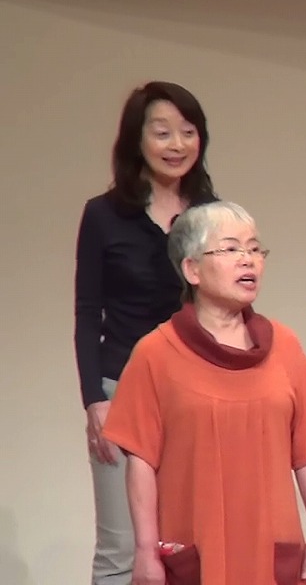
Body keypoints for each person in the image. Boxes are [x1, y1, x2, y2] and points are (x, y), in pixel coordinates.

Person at [101, 201, 306, 585]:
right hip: (195, 552)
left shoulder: (284, 346)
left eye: (255, 249)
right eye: (230, 249)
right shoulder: (155, 354)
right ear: (192, 269)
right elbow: (141, 462)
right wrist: (145, 551)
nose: (248, 260)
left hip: (271, 552)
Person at [74, 82, 217, 584]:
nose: (177, 144)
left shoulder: (210, 216)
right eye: (162, 132)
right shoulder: (103, 214)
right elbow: (87, 312)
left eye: (188, 132)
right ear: (137, 139)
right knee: (121, 550)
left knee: (190, 543)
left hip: (195, 393)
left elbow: (226, 310)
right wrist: (94, 400)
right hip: (122, 390)